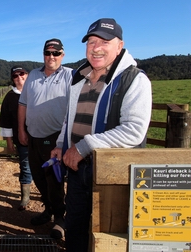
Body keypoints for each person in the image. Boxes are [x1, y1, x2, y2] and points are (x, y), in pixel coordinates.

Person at [50, 18, 152, 251]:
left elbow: (134, 130)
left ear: (120, 45)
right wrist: (60, 144)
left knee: (107, 230)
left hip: (112, 172)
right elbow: (70, 117)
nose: (96, 47)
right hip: (77, 168)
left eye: (105, 41)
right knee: (75, 224)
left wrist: (83, 147)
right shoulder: (79, 76)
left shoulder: (134, 80)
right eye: (91, 41)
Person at [18, 38, 72, 240]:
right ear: (43, 54)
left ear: (62, 55)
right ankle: (48, 210)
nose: (51, 57)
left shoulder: (70, 76)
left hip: (54, 138)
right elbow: (23, 104)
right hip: (33, 136)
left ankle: (60, 218)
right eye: (48, 53)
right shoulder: (32, 75)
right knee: (39, 178)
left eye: (56, 53)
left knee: (54, 180)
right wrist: (22, 130)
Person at [0, 65, 32, 211]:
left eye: (22, 74)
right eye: (15, 76)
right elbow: (5, 121)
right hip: (22, 139)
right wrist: (9, 141)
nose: (19, 78)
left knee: (46, 167)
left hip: (41, 137)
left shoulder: (36, 92)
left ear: (27, 75)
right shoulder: (10, 97)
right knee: (25, 167)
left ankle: (47, 196)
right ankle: (25, 196)